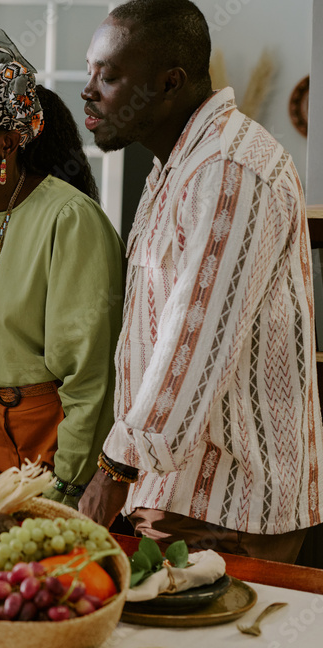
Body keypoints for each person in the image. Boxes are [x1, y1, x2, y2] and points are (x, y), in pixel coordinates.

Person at [78, 0, 322, 562]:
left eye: (109, 75)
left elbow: (193, 341)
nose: (89, 89)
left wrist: (113, 471)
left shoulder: (231, 170)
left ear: (170, 83)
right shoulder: (175, 167)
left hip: (234, 503)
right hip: (174, 491)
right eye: (90, 70)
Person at [0, 30, 124, 509]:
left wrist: (69, 480)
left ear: (7, 143)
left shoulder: (68, 220)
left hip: (58, 436)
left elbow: (89, 374)